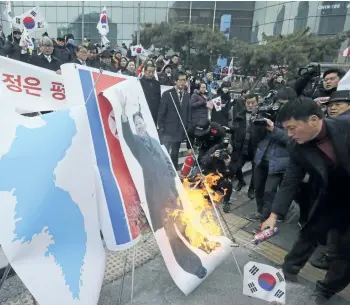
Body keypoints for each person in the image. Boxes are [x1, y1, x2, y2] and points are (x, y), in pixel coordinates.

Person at [261, 97, 350, 305]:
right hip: (331, 197)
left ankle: (325, 291)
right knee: (309, 233)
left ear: (313, 120)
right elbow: (290, 181)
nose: (289, 135)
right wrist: (273, 216)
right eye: (286, 129)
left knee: (345, 251)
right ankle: (288, 270)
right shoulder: (297, 147)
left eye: (292, 128)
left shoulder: (346, 127)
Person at [119, 94, 207, 279]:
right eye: (136, 124)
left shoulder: (154, 141)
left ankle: (201, 253)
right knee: (172, 233)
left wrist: (170, 175)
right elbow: (126, 136)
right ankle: (192, 267)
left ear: (144, 123)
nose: (139, 125)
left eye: (140, 122)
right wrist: (125, 115)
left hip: (170, 191)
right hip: (156, 196)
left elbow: (167, 160)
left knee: (184, 224)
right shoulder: (136, 142)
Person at [158, 72, 191, 169]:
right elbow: (161, 112)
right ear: (175, 81)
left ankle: (174, 173)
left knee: (175, 154)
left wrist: (187, 126)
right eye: (180, 80)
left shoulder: (187, 95)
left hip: (180, 130)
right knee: (165, 152)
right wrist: (161, 127)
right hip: (168, 129)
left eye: (184, 80)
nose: (182, 82)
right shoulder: (167, 94)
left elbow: (187, 112)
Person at [201, 138, 235, 213]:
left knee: (228, 183)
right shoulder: (214, 149)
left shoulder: (229, 157)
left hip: (220, 179)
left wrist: (227, 164)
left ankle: (226, 202)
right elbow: (203, 161)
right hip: (209, 176)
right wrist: (212, 156)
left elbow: (232, 173)